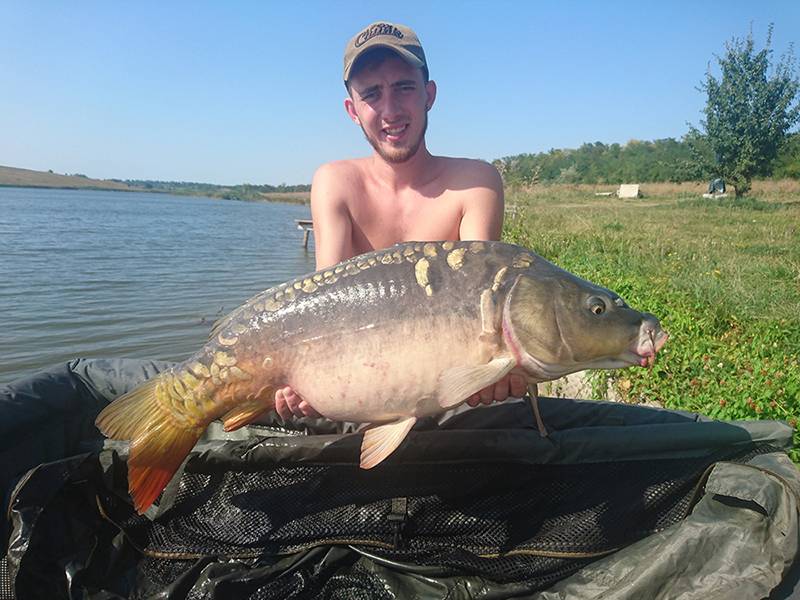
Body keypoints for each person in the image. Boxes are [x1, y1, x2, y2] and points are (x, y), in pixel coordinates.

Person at [274, 21, 527, 421]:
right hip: (359, 385)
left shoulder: (476, 184)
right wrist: (303, 383)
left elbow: (486, 317)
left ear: (429, 95)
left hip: (443, 397)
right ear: (353, 111)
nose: (390, 110)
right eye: (372, 94)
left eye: (404, 88)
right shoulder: (335, 183)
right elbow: (324, 313)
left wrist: (502, 367)